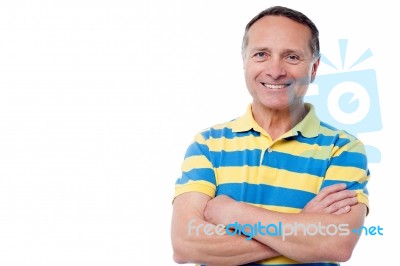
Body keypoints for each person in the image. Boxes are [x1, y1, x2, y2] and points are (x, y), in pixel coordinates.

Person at [171, 6, 370, 266]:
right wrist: (302, 224)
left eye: (292, 57)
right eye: (261, 54)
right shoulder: (207, 145)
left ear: (314, 67)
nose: (275, 71)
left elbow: (336, 244)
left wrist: (234, 213)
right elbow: (186, 245)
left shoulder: (343, 149)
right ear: (245, 61)